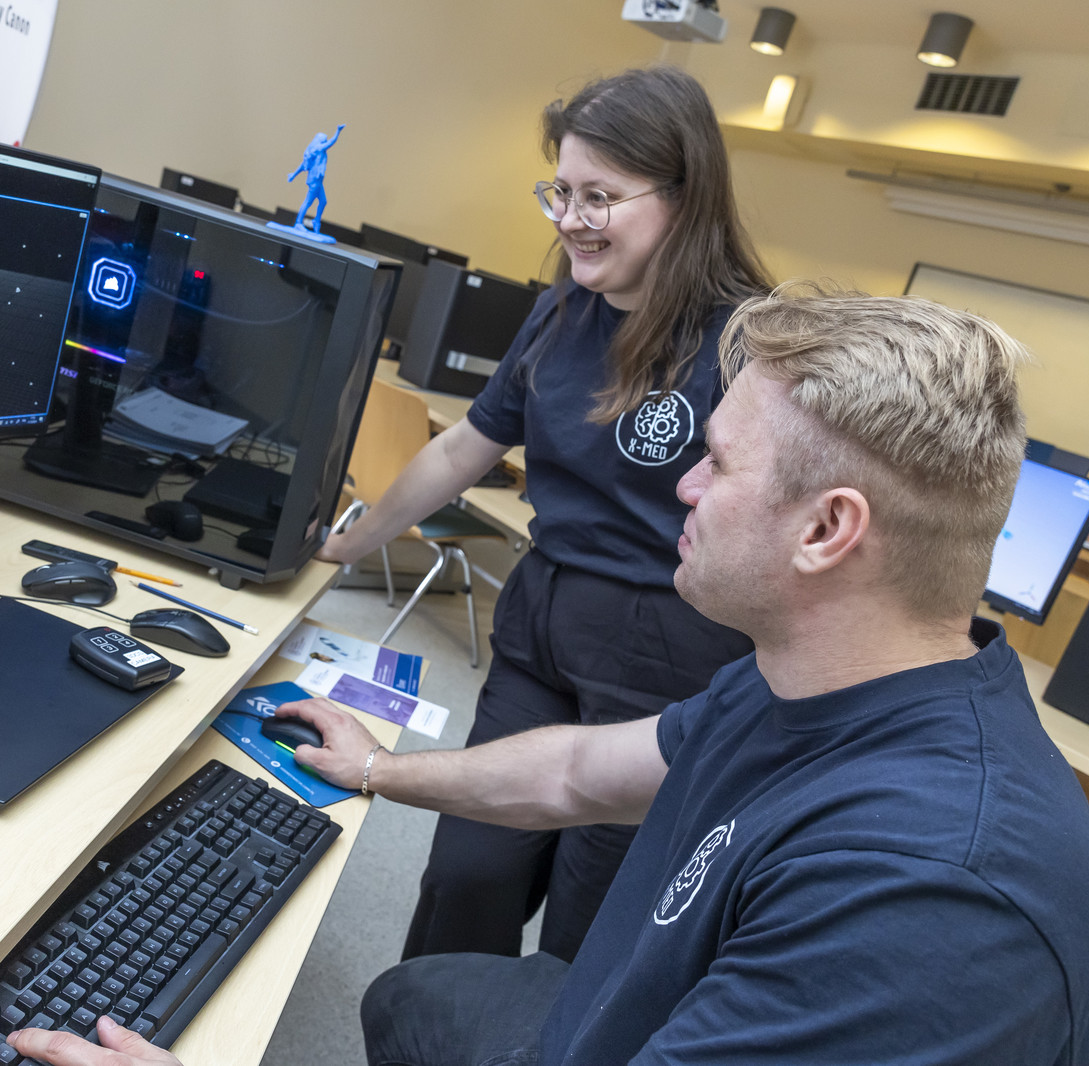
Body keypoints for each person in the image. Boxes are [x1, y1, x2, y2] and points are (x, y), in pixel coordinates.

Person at [3, 287, 1089, 1066]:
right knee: (412, 994)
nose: (682, 486)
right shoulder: (815, 680)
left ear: (826, 531)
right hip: (620, 1021)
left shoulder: (927, 904)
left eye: (717, 463)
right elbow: (581, 774)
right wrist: (381, 771)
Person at [316, 66, 766, 964]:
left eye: (599, 197)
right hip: (542, 627)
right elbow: (462, 449)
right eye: (560, 191)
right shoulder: (560, 312)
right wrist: (345, 543)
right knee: (465, 877)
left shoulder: (747, 344)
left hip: (666, 659)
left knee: (585, 928)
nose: (569, 219)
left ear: (684, 198)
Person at [285, 124, 345, 235]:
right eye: (324, 140)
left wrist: (293, 175)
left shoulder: (314, 150)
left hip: (318, 181)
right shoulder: (319, 148)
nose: (325, 141)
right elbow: (331, 142)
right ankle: (298, 222)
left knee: (323, 201)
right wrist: (338, 131)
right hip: (315, 181)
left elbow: (303, 165)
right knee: (308, 201)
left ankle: (316, 221)